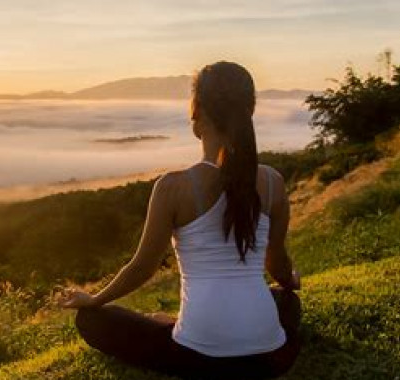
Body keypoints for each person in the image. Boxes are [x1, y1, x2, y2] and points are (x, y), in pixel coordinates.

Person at [59, 61, 302, 380]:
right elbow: (278, 262)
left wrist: (94, 299)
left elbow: (141, 268)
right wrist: (289, 282)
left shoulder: (173, 188)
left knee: (91, 320)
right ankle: (186, 323)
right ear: (249, 112)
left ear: (197, 111)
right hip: (270, 358)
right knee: (286, 302)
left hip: (197, 357)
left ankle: (176, 325)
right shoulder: (273, 182)